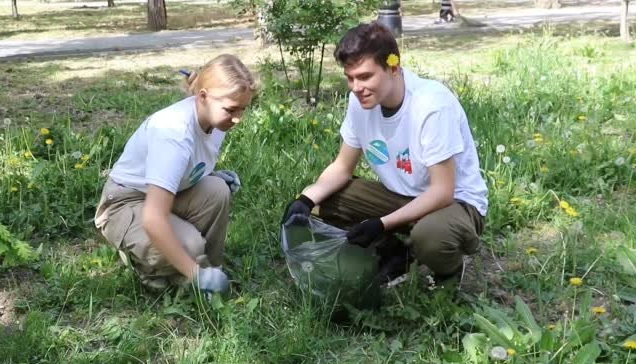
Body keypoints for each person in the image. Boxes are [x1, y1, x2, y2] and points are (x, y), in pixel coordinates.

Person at [282, 22, 487, 284]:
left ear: (393, 67)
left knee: (431, 236)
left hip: (455, 204)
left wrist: (381, 223)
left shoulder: (431, 104)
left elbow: (442, 192)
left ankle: (448, 273)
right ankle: (396, 250)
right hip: (401, 197)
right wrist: (305, 200)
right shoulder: (360, 102)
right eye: (350, 77)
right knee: (323, 200)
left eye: (365, 76)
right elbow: (342, 167)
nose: (356, 87)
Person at [95, 54, 257, 294]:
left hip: (157, 196)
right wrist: (194, 273)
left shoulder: (215, 119)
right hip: (124, 204)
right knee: (189, 246)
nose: (238, 118)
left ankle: (207, 268)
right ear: (203, 97)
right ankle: (162, 270)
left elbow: (188, 164)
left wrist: (210, 174)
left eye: (243, 109)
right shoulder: (174, 133)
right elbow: (153, 218)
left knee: (217, 190)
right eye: (232, 109)